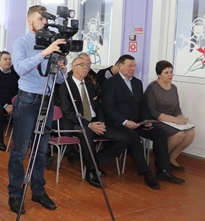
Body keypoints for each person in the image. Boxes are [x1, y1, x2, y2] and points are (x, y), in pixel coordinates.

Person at [8, 5, 67, 214]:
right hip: (27, 99)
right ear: (30, 20)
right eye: (40, 19)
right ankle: (15, 193)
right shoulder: (21, 43)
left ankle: (38, 190)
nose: (44, 23)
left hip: (48, 99)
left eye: (45, 20)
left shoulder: (52, 43)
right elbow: (21, 68)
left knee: (41, 150)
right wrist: (44, 53)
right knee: (20, 150)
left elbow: (59, 80)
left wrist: (62, 69)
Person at [101, 54, 185, 189]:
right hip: (119, 123)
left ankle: (163, 170)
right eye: (129, 66)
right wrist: (125, 121)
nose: (132, 69)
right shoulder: (110, 83)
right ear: (120, 66)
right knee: (134, 137)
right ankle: (146, 173)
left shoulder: (137, 83)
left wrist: (146, 120)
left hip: (137, 122)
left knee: (160, 133)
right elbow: (108, 107)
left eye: (134, 66)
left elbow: (142, 105)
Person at [58, 56, 130, 188]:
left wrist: (101, 122)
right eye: (82, 64)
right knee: (86, 133)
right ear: (74, 68)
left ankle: (95, 159)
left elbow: (98, 106)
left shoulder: (90, 85)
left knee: (124, 139)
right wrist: (88, 124)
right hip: (77, 123)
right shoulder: (65, 86)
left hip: (95, 121)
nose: (86, 67)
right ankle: (91, 171)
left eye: (88, 65)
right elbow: (68, 112)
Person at [145, 60, 195, 171]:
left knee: (190, 133)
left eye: (171, 72)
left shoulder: (173, 88)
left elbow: (176, 108)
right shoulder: (152, 88)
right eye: (166, 72)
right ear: (159, 74)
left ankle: (171, 158)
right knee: (179, 135)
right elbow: (153, 112)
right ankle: (161, 158)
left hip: (171, 121)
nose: (170, 75)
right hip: (156, 120)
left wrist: (181, 117)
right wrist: (174, 119)